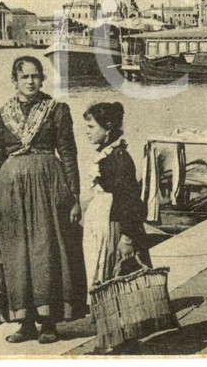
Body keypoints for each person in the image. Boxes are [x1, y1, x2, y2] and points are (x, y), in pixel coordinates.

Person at [0, 56, 86, 344]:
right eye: (24, 77)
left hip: (49, 186)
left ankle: (50, 322)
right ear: (14, 80)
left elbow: (68, 154)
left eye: (36, 76)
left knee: (47, 251)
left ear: (42, 79)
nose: (31, 82)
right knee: (17, 254)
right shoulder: (1, 114)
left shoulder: (56, 111)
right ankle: (24, 323)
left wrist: (75, 196)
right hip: (11, 192)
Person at [82, 102, 152, 291]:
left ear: (108, 128)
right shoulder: (107, 155)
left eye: (91, 127)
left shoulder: (118, 158)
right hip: (103, 224)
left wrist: (127, 237)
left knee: (116, 274)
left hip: (114, 226)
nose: (87, 132)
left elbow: (129, 199)